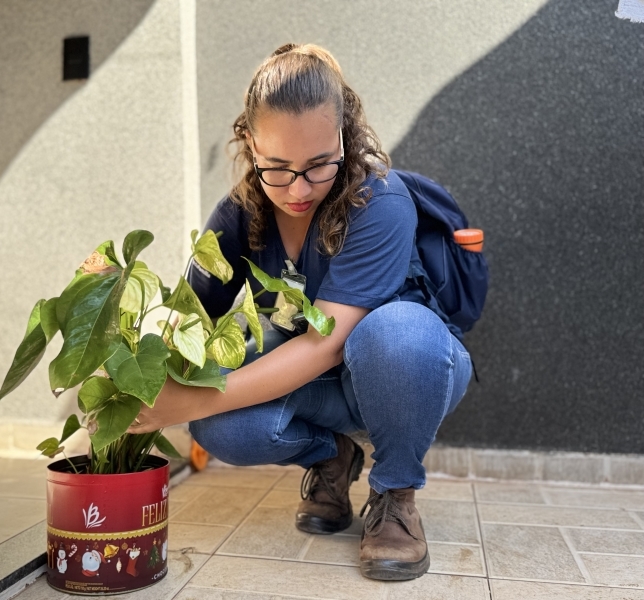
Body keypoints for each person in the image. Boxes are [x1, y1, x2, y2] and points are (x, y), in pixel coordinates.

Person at [127, 43, 473, 581]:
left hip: (407, 371)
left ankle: (395, 494)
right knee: (215, 425)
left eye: (318, 166)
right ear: (250, 143)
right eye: (277, 169)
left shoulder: (379, 199)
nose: (298, 190)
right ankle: (330, 457)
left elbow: (328, 341)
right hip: (320, 394)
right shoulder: (240, 214)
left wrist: (186, 398)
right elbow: (190, 319)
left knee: (394, 333)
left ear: (343, 133)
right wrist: (138, 377)